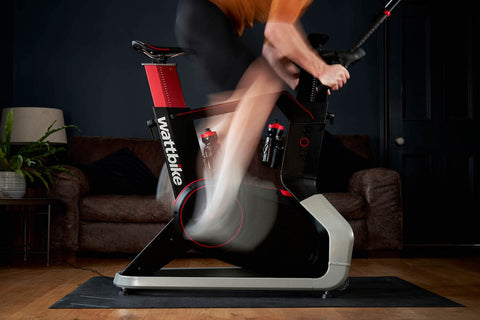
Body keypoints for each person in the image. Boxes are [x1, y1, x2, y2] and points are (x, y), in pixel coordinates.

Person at [173, 0, 350, 242]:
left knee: (233, 111)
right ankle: (217, 210)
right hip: (207, 14)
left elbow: (273, 49)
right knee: (262, 85)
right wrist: (322, 70)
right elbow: (278, 31)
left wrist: (301, 79)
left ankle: (180, 175)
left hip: (202, 19)